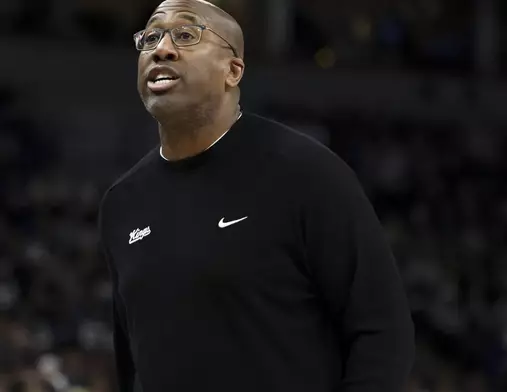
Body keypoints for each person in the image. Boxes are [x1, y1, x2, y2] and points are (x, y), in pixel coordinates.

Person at [97, 0, 415, 391]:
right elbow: (131, 363)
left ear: (233, 71)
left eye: (185, 34)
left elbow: (382, 329)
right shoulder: (121, 204)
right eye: (150, 37)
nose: (161, 48)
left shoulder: (305, 172)